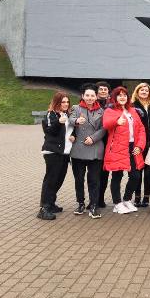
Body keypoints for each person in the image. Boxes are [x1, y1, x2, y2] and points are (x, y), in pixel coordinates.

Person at [102, 86, 146, 215]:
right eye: (119, 95)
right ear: (115, 97)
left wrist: (140, 146)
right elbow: (106, 124)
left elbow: (141, 129)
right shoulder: (110, 110)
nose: (122, 97)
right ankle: (117, 203)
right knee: (117, 176)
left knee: (135, 176)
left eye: (124, 95)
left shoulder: (132, 111)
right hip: (118, 147)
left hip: (133, 147)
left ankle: (127, 199)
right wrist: (116, 121)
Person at [69, 83, 106, 218]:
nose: (90, 98)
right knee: (79, 179)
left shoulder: (102, 111)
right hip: (78, 149)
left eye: (92, 95)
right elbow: (70, 119)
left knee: (94, 180)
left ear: (96, 97)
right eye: (87, 95)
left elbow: (104, 128)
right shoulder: (76, 108)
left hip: (95, 148)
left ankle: (94, 205)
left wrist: (93, 138)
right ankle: (80, 203)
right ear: (83, 96)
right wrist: (76, 121)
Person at [38, 92, 74, 220]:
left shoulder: (67, 114)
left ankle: (51, 203)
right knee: (51, 180)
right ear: (57, 102)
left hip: (65, 153)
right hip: (53, 152)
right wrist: (58, 122)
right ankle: (44, 208)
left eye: (67, 102)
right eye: (63, 102)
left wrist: (73, 136)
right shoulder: (51, 114)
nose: (66, 104)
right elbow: (48, 131)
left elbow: (70, 131)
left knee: (59, 179)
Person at [131, 83, 150, 207]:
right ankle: (137, 197)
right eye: (141, 90)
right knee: (137, 171)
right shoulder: (132, 106)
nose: (144, 92)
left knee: (148, 172)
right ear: (137, 92)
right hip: (138, 144)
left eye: (146, 90)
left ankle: (146, 198)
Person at [95, 81, 111, 208]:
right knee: (94, 173)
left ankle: (100, 198)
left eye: (105, 89)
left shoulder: (112, 105)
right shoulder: (92, 104)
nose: (103, 91)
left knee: (105, 173)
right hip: (95, 142)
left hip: (108, 142)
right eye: (101, 89)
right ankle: (94, 199)